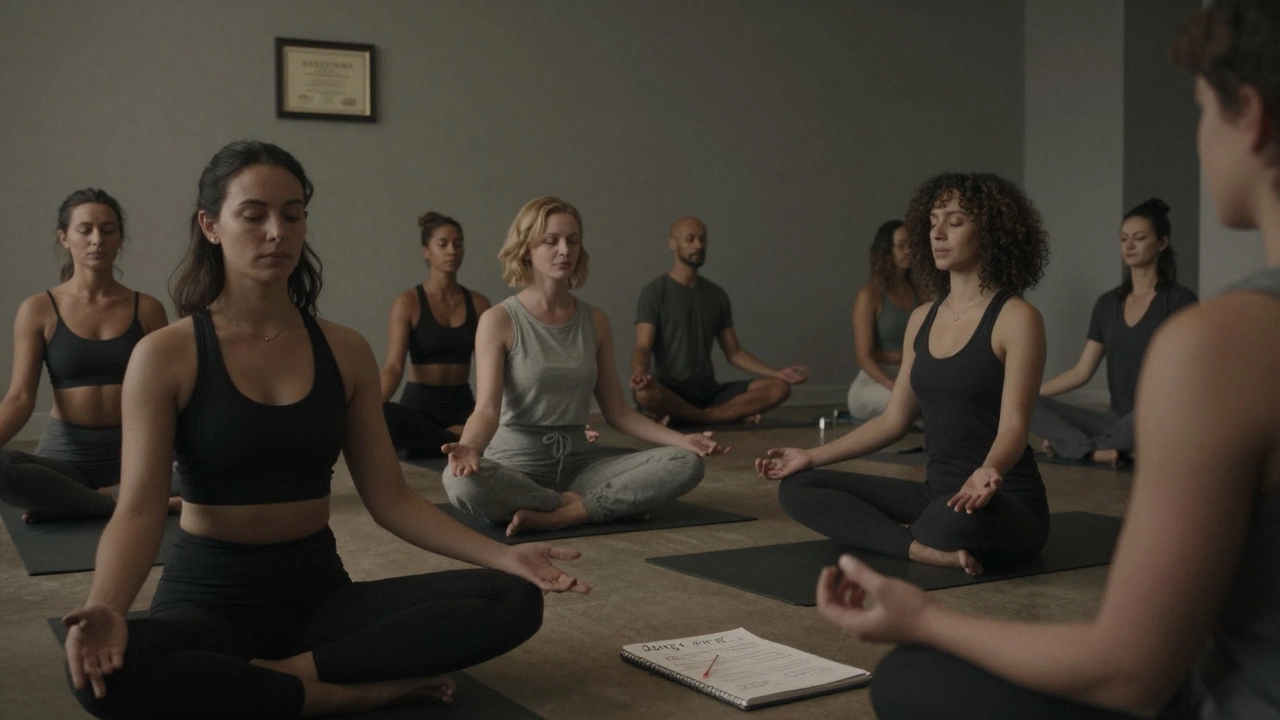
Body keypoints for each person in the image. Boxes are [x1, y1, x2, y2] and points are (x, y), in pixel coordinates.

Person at [817, 3, 1280, 718]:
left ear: (1249, 115)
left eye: (1200, 111)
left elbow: (1132, 672)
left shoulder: (1225, 343)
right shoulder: (926, 317)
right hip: (946, 489)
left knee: (910, 678)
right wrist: (810, 460)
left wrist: (924, 620)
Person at [63, 142, 590, 720]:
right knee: (100, 677)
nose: (276, 232)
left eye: (292, 215)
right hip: (209, 601)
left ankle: (285, 680)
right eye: (254, 214)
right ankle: (347, 691)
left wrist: (504, 557)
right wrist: (108, 606)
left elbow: (390, 498)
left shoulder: (343, 350)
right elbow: (138, 511)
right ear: (210, 226)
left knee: (511, 598)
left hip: (320, 599)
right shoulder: (166, 355)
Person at [758, 172, 1051, 576]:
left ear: (990, 231)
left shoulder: (1017, 318)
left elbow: (1015, 426)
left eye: (955, 221)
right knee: (798, 488)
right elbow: (894, 421)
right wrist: (809, 456)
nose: (938, 233)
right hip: (935, 492)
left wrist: (990, 471)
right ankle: (918, 548)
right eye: (932, 221)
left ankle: (904, 537)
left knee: (949, 520)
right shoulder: (922, 318)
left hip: (1002, 502)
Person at [441, 197, 726, 537]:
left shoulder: (595, 320)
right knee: (459, 484)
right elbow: (487, 409)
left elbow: (618, 412)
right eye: (552, 241)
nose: (565, 250)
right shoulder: (499, 320)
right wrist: (471, 447)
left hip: (580, 466)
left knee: (686, 463)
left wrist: (683, 440)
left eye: (572, 241)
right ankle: (574, 505)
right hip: (516, 469)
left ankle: (565, 513)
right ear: (527, 247)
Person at [0, 189, 173, 523]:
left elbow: (168, 394)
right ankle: (113, 503)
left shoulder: (148, 309)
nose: (98, 240)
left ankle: (73, 504)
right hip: (64, 461)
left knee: (218, 471)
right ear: (64, 238)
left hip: (134, 456)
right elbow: (19, 398)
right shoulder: (38, 309)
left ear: (120, 239)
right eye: (85, 230)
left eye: (108, 230)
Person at [1032, 198, 1197, 467]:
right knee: (1025, 404)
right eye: (1124, 239)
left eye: (1139, 238)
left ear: (1162, 243)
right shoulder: (1107, 304)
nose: (1129, 246)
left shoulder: (1179, 300)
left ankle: (1076, 447)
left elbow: (1189, 374)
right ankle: (1103, 448)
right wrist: (1028, 394)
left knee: (1140, 422)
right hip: (1114, 419)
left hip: (1158, 417)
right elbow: (1081, 372)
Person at [631, 216, 810, 426]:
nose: (698, 245)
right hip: (669, 391)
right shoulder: (654, 292)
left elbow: (734, 353)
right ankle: (720, 416)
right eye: (690, 239)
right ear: (672, 243)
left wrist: (778, 373)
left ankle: (699, 417)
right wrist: (640, 374)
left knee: (779, 388)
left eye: (703, 239)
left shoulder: (716, 295)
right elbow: (642, 347)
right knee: (645, 395)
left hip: (708, 392)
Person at [380, 211, 491, 459]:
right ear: (426, 252)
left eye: (458, 244)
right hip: (419, 407)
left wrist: (489, 412)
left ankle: (438, 441)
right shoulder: (407, 302)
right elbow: (394, 365)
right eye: (443, 244)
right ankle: (453, 439)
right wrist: (369, 409)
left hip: (463, 405)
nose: (452, 250)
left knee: (506, 419)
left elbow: (493, 366)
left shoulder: (480, 304)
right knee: (384, 418)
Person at [847, 219, 926, 421]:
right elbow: (864, 356)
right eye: (901, 245)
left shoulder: (920, 294)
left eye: (911, 245)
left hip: (912, 377)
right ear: (886, 250)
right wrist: (891, 383)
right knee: (908, 402)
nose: (908, 250)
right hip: (877, 382)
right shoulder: (869, 294)